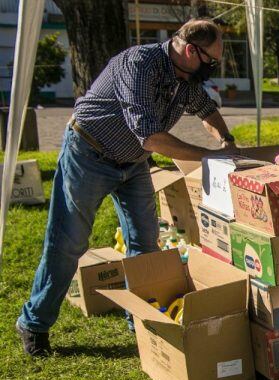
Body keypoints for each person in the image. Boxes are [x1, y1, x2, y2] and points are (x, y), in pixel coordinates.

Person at [16, 19, 238, 357]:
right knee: (68, 242)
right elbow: (149, 135)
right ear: (191, 50)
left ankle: (140, 319)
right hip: (89, 153)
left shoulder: (186, 79)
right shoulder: (139, 64)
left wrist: (227, 141)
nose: (212, 68)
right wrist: (208, 158)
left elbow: (206, 110)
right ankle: (34, 323)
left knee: (145, 241)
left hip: (133, 163)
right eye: (210, 60)